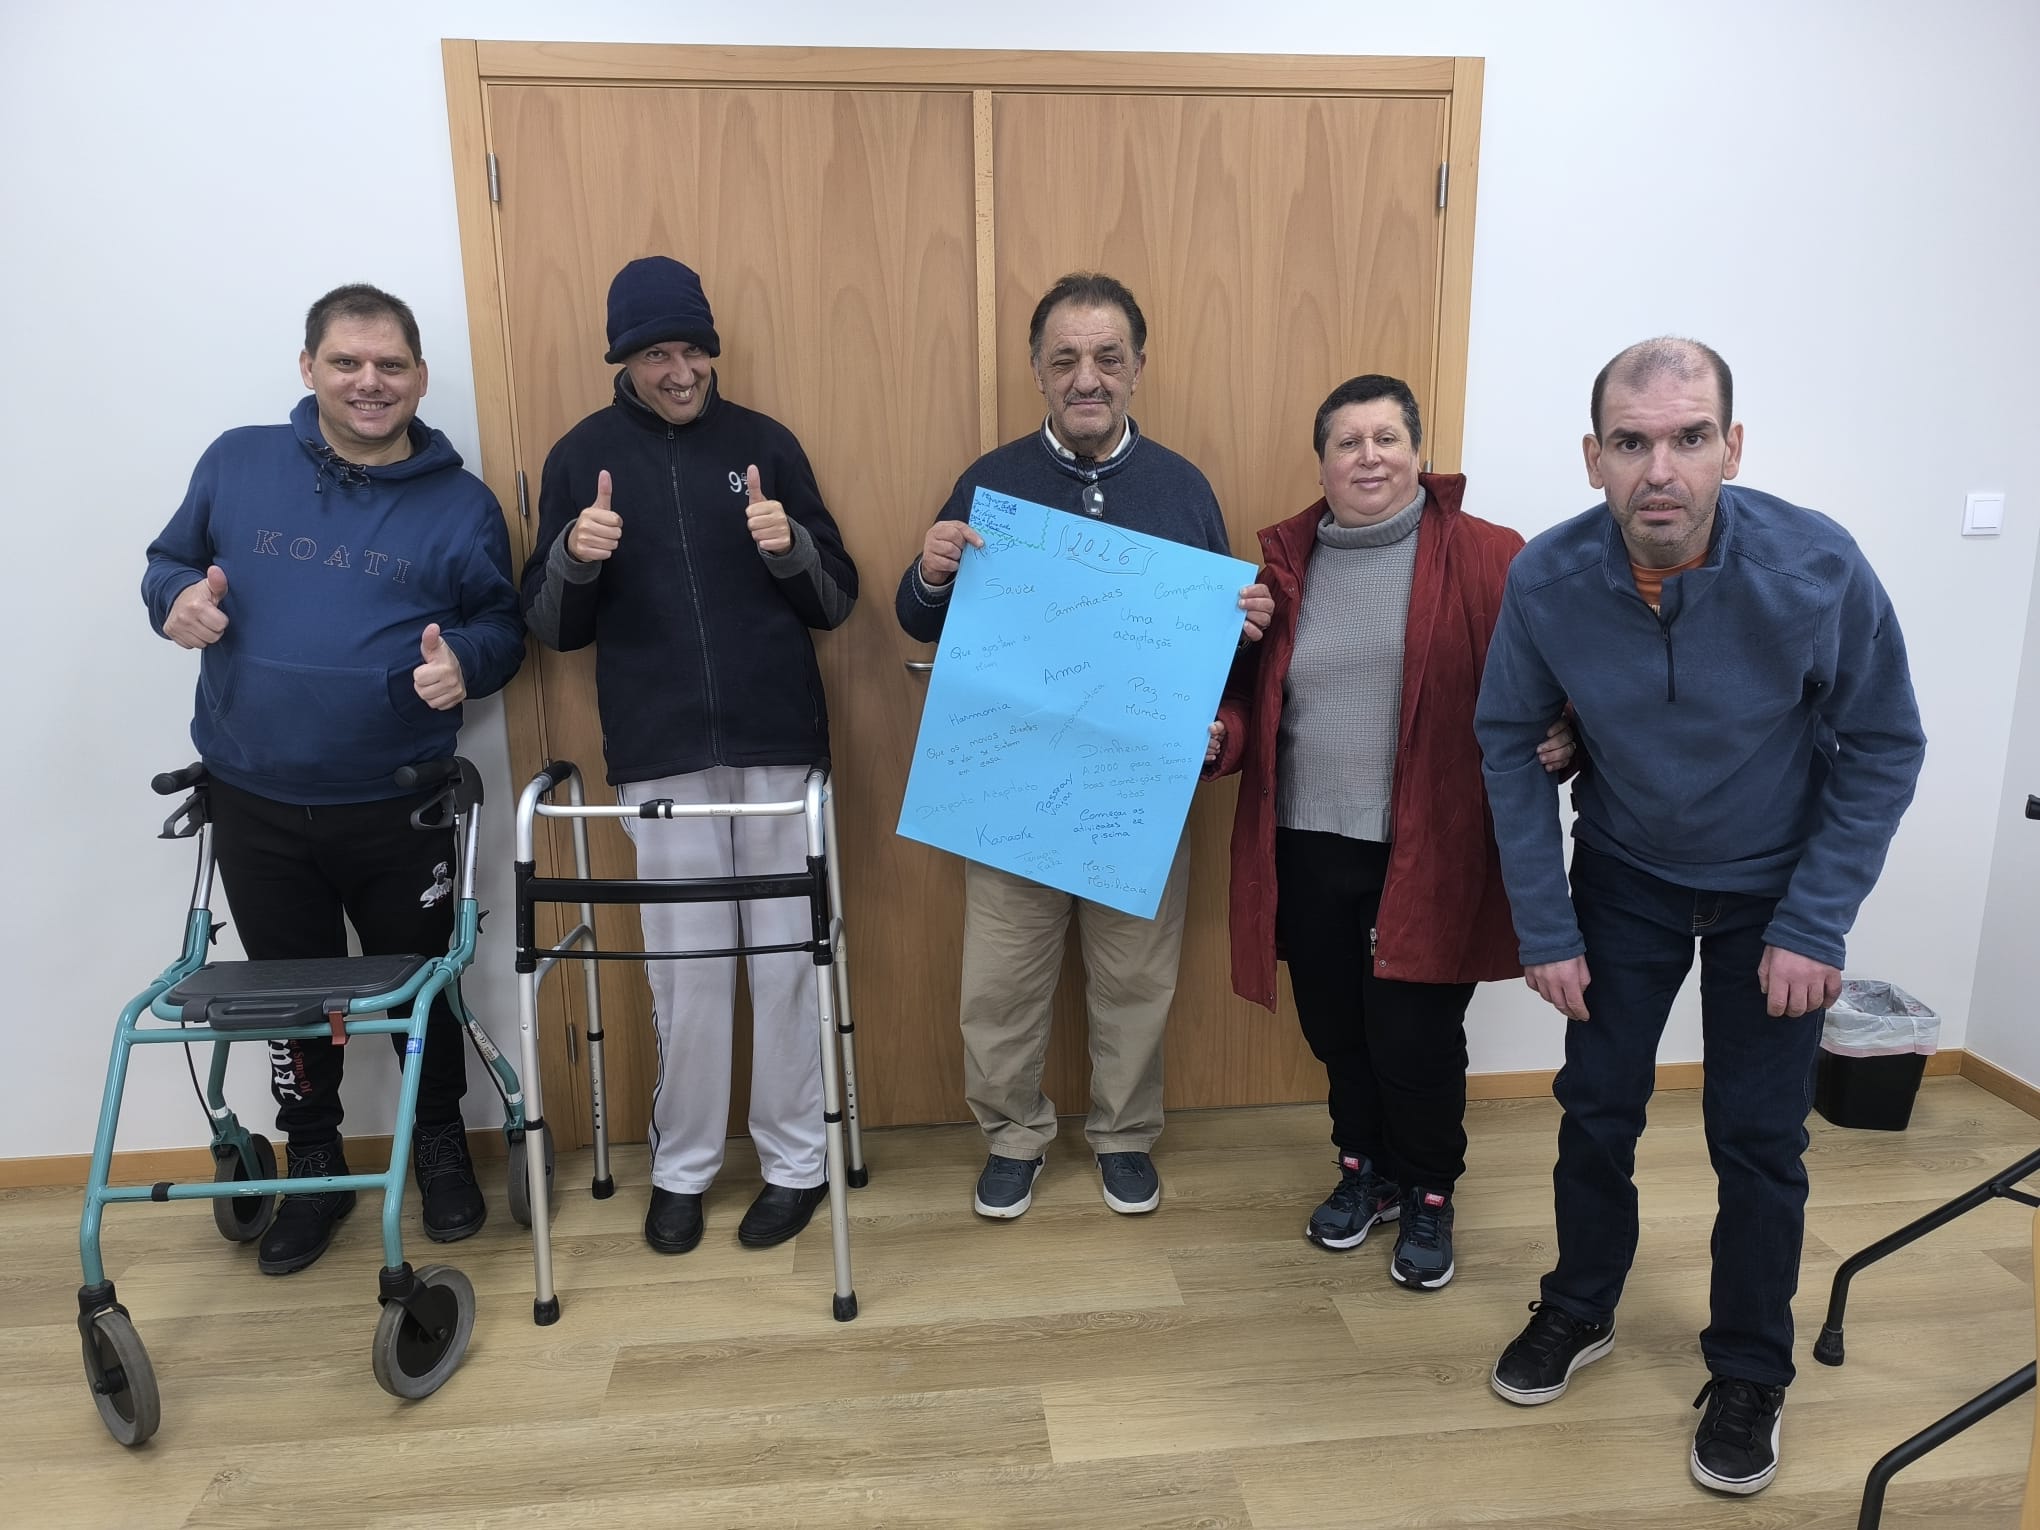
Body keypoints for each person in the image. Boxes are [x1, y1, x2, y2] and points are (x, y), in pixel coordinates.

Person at [1474, 338, 1925, 1495]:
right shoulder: (1547, 581)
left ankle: (1750, 1369)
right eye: (1632, 443)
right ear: (1594, 458)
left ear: (1733, 447)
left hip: (1775, 886)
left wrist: (1817, 921)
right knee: (1596, 1108)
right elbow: (1508, 742)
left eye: (1688, 438)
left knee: (1759, 1138)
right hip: (1624, 872)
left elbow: (1883, 743)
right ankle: (1580, 1304)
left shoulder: (1816, 568)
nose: (1660, 469)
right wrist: (1544, 926)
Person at [142, 284, 525, 1275]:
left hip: (400, 802)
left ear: (420, 378)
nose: (369, 382)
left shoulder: (462, 505)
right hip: (255, 800)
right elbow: (167, 563)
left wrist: (467, 662)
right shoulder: (237, 462)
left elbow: (501, 624)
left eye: (390, 365)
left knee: (423, 988)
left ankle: (440, 1145)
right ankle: (313, 1160)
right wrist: (175, 599)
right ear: (308, 367)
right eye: (347, 362)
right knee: (289, 1001)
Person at [896, 271, 1271, 1220]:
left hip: (1138, 788)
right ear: (1037, 370)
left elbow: (1212, 651)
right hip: (1009, 787)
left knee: (1136, 974)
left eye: (1107, 357)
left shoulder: (1183, 488)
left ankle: (1124, 1134)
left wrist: (1242, 633)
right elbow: (921, 617)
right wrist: (930, 572)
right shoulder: (992, 482)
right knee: (1000, 978)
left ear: (1138, 366)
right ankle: (1012, 1134)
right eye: (1065, 359)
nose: (1086, 377)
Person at [522, 256, 858, 1256]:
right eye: (655, 355)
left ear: (712, 350)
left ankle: (797, 1164)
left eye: (691, 350)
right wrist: (575, 558)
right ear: (623, 361)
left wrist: (788, 545)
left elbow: (836, 600)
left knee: (786, 965)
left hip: (777, 745)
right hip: (660, 755)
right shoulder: (581, 457)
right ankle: (683, 1169)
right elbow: (552, 629)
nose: (679, 372)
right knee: (688, 973)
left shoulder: (765, 445)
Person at [1210, 374, 1573, 1289]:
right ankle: (1365, 1170)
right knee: (1336, 1029)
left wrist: (1570, 734)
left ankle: (1430, 1192)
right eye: (1348, 442)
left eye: (1387, 438)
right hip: (1305, 842)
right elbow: (1248, 703)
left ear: (1418, 453)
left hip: (1428, 846)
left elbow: (1559, 676)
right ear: (1322, 464)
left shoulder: (1490, 555)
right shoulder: (1282, 572)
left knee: (1414, 1039)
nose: (1368, 457)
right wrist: (1223, 736)